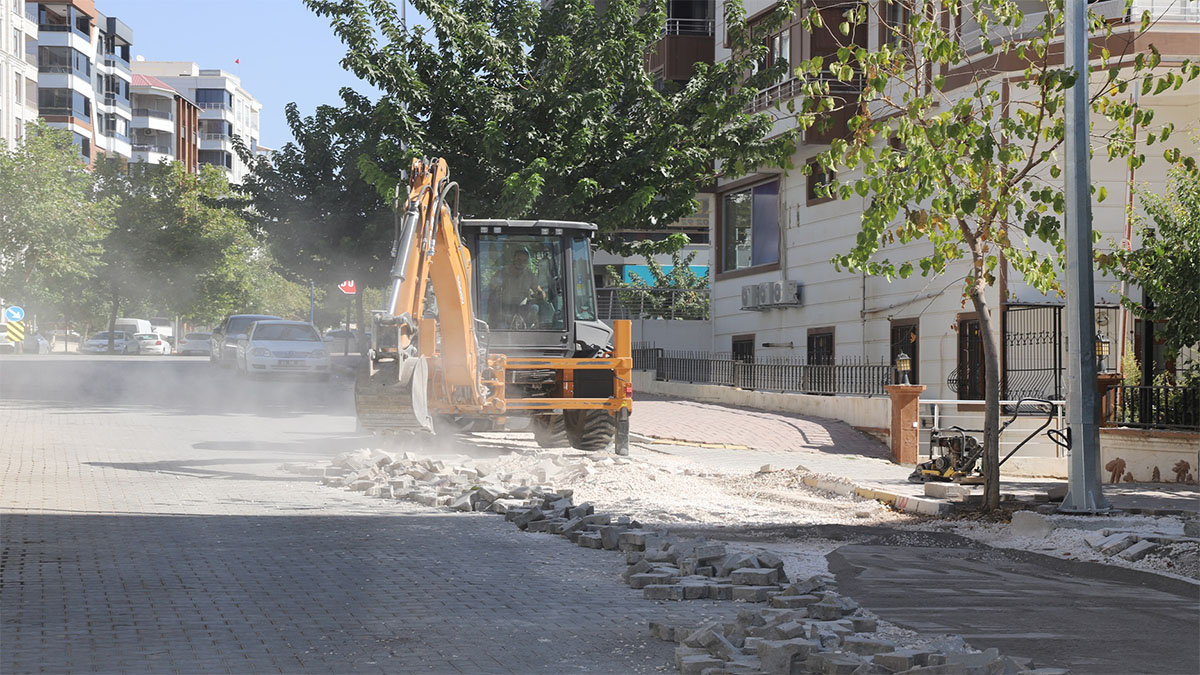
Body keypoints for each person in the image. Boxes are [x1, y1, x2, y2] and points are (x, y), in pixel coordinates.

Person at [489, 247, 543, 328]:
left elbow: (539, 291)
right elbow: (492, 288)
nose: (521, 262)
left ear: (527, 262)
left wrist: (539, 295)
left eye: (524, 261)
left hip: (523, 309)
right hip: (504, 308)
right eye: (518, 259)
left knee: (536, 308)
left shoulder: (529, 275)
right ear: (513, 259)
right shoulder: (503, 272)